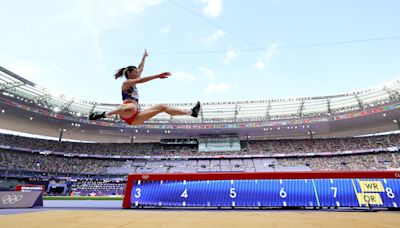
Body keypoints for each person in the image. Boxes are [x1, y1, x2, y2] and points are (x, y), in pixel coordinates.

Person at [89, 50, 201, 125]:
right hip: (128, 111)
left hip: (136, 116)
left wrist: (144, 57)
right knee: (131, 106)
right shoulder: (126, 83)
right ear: (130, 73)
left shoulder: (134, 81)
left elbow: (141, 68)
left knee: (162, 106)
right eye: (136, 72)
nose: (138, 73)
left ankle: (191, 112)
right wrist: (157, 76)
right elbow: (141, 79)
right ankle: (103, 114)